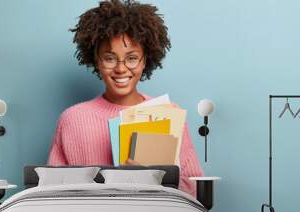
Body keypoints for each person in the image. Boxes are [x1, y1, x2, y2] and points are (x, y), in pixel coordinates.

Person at [47, 0, 203, 197]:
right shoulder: (71, 119)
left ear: (145, 60)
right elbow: (51, 192)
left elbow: (194, 189)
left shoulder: (169, 113)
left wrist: (154, 178)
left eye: (131, 58)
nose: (121, 69)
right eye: (110, 58)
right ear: (97, 60)